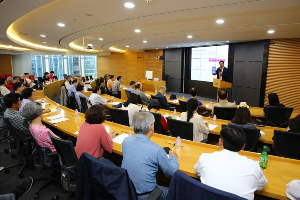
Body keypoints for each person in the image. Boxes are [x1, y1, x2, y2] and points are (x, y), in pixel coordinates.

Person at [194, 125, 267, 200]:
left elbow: (197, 170)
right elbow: (261, 186)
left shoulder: (205, 158)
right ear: (243, 146)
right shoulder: (254, 167)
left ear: (220, 142)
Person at [121, 112, 179, 200]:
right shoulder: (156, 149)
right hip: (146, 195)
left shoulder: (126, 141)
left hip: (127, 191)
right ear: (151, 127)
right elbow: (172, 171)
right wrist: (173, 156)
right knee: (175, 191)